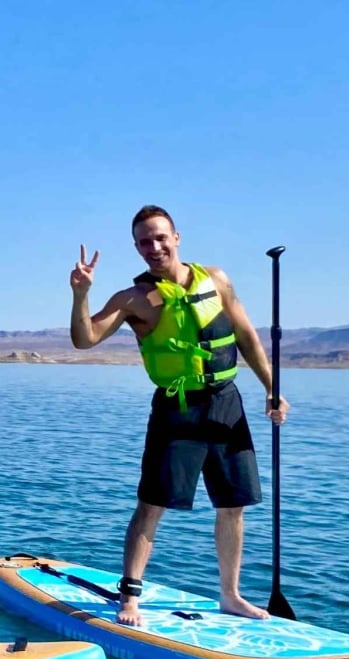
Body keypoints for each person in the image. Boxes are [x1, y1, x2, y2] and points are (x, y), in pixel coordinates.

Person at [68, 205, 290, 626]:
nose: (153, 247)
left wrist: (273, 389)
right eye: (144, 242)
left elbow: (245, 335)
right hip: (176, 408)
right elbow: (85, 339)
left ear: (176, 237)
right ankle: (130, 598)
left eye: (159, 237)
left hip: (226, 403)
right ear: (136, 248)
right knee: (151, 505)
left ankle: (231, 595)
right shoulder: (133, 299)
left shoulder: (216, 279)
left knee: (233, 504)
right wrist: (81, 294)